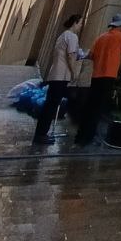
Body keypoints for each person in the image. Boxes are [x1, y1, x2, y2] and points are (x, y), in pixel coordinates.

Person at [74, 13, 121, 147]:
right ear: (120, 25)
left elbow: (90, 55)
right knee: (100, 107)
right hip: (108, 76)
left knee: (90, 106)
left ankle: (80, 136)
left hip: (96, 76)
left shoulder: (100, 37)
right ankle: (91, 137)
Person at [32, 13, 84, 145]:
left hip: (55, 74)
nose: (81, 26)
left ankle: (41, 133)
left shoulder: (63, 35)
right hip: (62, 75)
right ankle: (41, 134)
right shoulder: (72, 36)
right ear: (75, 22)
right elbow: (71, 56)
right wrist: (74, 73)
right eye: (80, 23)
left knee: (50, 104)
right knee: (52, 105)